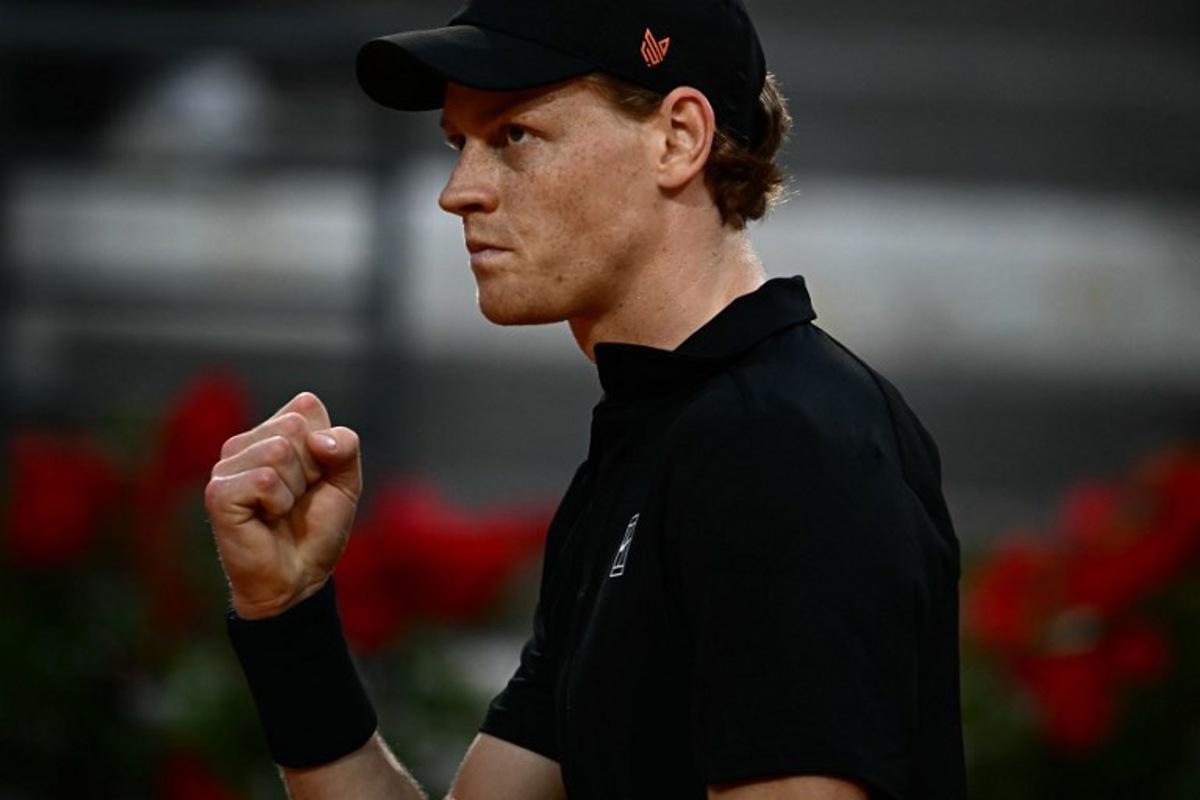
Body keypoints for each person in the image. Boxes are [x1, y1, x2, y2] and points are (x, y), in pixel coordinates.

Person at [204, 0, 968, 798]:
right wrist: (285, 612)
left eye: (513, 136)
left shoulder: (783, 446)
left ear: (678, 138)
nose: (458, 192)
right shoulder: (659, 437)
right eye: (459, 143)